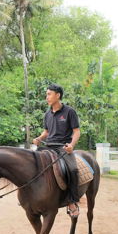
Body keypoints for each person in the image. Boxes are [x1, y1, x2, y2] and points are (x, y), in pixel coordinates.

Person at [32, 83, 81, 218]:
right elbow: (46, 132)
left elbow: (76, 132)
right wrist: (39, 137)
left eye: (49, 94)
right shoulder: (47, 114)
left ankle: (72, 201)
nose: (46, 97)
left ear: (57, 95)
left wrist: (71, 145)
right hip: (48, 146)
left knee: (72, 170)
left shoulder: (69, 112)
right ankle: (31, 195)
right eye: (46, 94)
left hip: (63, 147)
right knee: (31, 163)